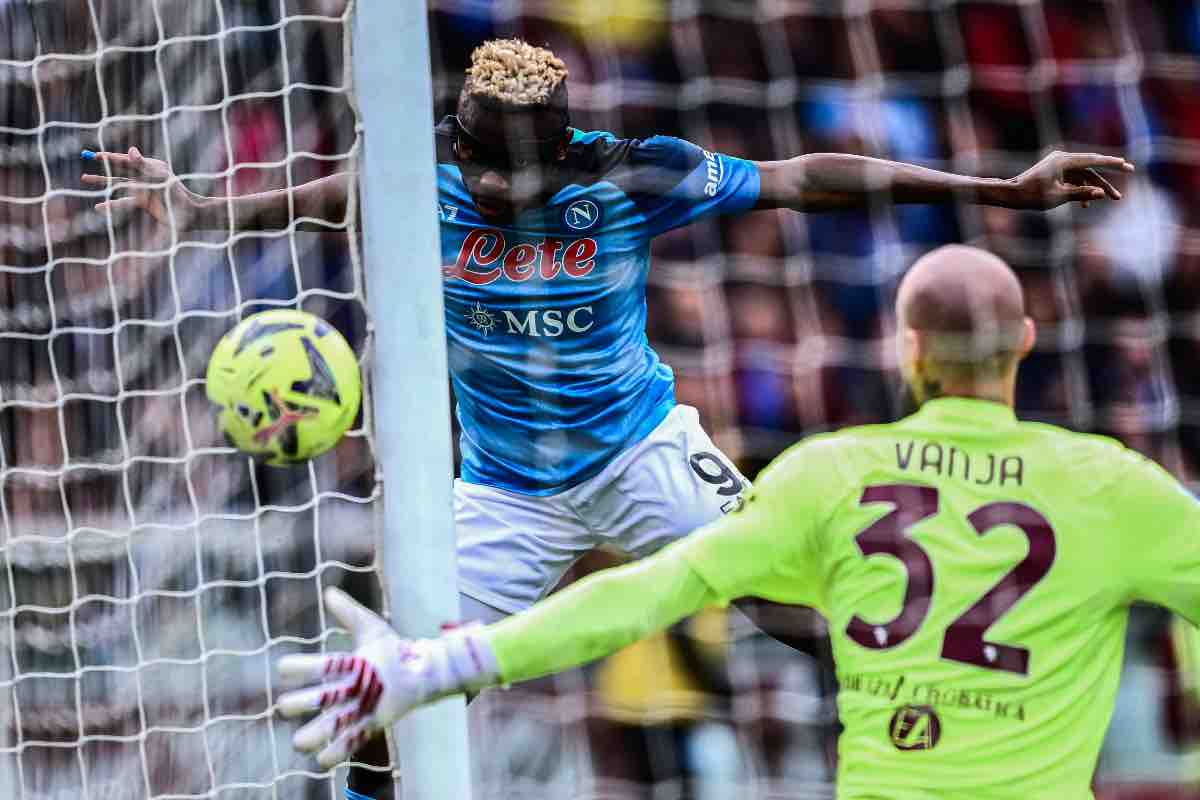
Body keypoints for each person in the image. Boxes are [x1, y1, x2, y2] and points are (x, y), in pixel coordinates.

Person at [84, 39, 1133, 796]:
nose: (489, 185)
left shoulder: (633, 173)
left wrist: (993, 187)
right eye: (476, 160)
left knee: (792, 609)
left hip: (639, 452)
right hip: (504, 490)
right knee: (388, 678)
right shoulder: (418, 179)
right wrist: (200, 205)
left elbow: (804, 178)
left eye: (512, 169)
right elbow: (315, 196)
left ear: (563, 146)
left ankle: (950, 735)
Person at [277, 244, 1200, 799]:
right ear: (1028, 343)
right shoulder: (1112, 489)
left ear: (905, 347)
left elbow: (645, 590)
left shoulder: (832, 474)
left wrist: (439, 662)